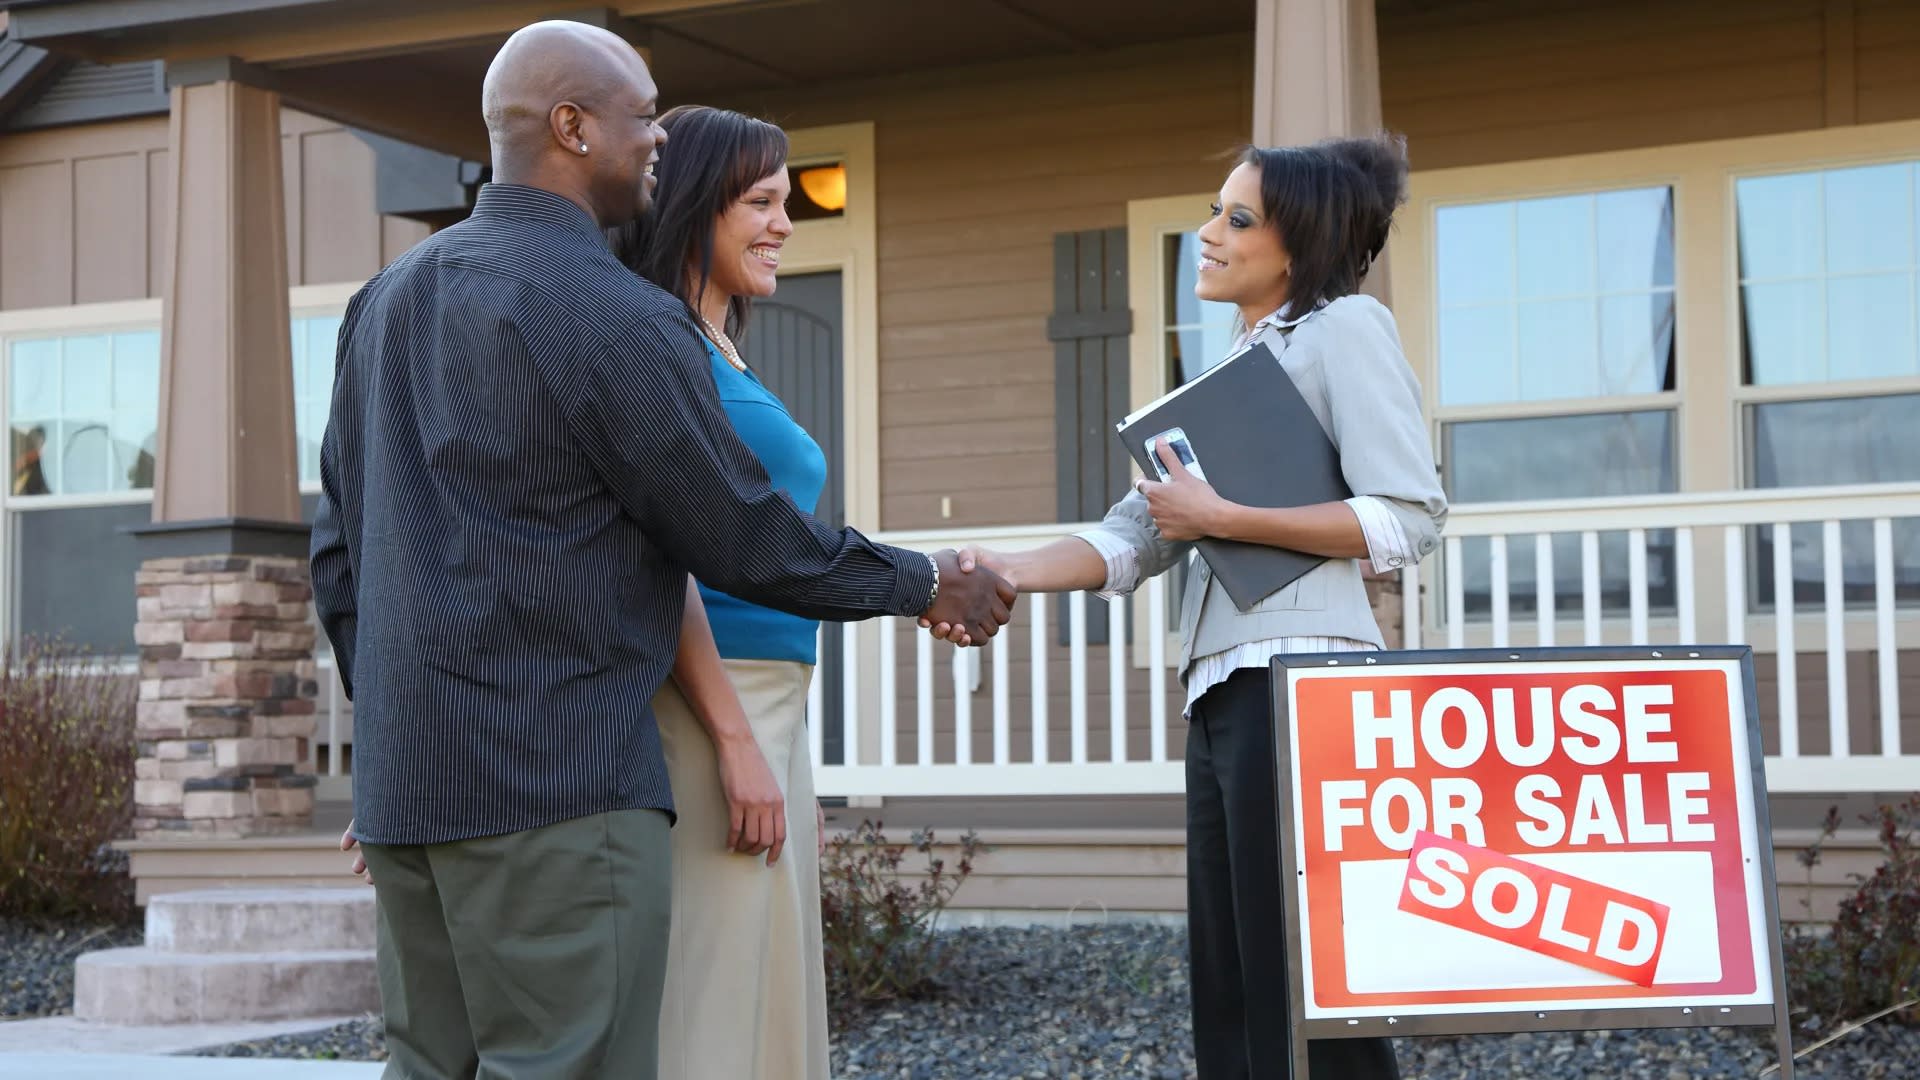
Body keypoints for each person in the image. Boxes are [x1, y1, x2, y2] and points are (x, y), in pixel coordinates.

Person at [310, 21, 1014, 1080]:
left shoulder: (385, 301)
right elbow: (741, 536)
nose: (656, 141)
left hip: (413, 796)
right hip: (560, 794)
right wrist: (924, 581)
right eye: (642, 116)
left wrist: (390, 743)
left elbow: (341, 552)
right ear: (570, 125)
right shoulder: (614, 316)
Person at [929, 135, 1446, 1079]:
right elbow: (1133, 537)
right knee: (1235, 971)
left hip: (1303, 681)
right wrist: (995, 568)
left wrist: (1226, 513)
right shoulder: (1227, 379)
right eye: (1215, 210)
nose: (1206, 234)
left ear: (1300, 246)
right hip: (1222, 689)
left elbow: (1408, 516)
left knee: (1302, 971)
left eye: (1236, 218)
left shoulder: (1344, 329)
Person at [612, 104, 833, 1080]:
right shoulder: (663, 348)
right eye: (760, 201)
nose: (783, 222)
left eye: (787, 202)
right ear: (695, 205)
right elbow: (656, 556)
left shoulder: (721, 346)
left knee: (770, 994)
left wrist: (787, 757)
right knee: (712, 1001)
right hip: (706, 707)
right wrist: (739, 742)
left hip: (771, 706)